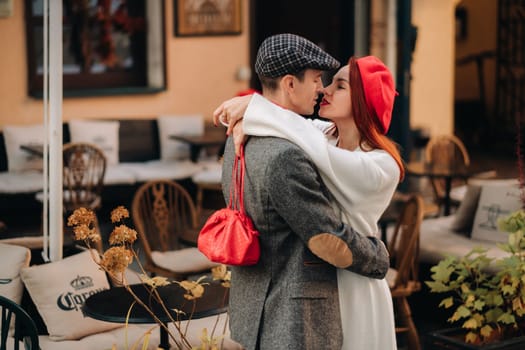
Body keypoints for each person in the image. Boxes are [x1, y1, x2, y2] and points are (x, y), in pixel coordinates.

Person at [214, 55, 404, 350]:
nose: (325, 90)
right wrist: (250, 110)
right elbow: (292, 127)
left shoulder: (380, 165)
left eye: (339, 86)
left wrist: (253, 106)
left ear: (363, 103)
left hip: (355, 278)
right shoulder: (325, 137)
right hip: (324, 277)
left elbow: (295, 130)